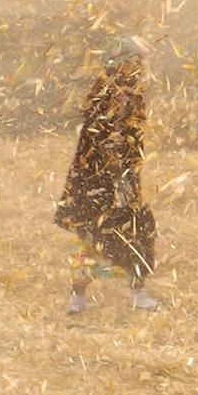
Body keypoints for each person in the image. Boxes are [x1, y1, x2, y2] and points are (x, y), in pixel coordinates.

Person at [55, 38, 159, 314]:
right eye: (135, 62)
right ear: (121, 63)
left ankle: (137, 292)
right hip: (97, 180)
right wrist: (115, 173)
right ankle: (79, 297)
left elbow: (133, 140)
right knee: (94, 236)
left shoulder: (132, 95)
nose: (140, 68)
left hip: (121, 178)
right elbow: (100, 142)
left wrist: (128, 174)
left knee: (136, 231)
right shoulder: (106, 94)